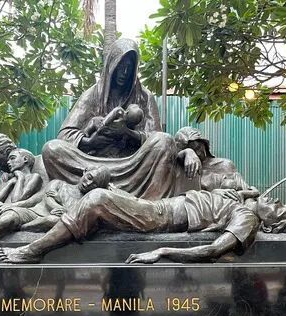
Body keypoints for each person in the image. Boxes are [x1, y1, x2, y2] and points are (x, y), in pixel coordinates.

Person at [42, 39, 197, 199]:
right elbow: (65, 135)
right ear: (111, 65)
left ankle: (145, 202)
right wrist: (90, 142)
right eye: (121, 66)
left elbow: (157, 138)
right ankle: (100, 186)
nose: (124, 72)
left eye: (129, 68)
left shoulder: (145, 97)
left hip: (132, 166)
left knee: (164, 141)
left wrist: (127, 133)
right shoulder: (92, 94)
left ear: (135, 70)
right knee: (51, 149)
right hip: (92, 166)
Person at [0, 182, 286, 264]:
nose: (277, 202)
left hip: (159, 218)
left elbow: (214, 250)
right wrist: (247, 195)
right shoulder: (244, 201)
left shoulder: (248, 218)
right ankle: (23, 224)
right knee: (89, 199)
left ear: (270, 225)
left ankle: (34, 250)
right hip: (157, 207)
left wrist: (162, 252)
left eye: (280, 210)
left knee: (97, 198)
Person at [0, 166, 113, 264]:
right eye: (89, 177)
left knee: (52, 220)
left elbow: (77, 219)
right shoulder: (59, 184)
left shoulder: (88, 202)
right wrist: (58, 206)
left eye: (94, 183)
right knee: (9, 218)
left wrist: (62, 211)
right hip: (33, 213)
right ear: (84, 172)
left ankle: (18, 228)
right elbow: (48, 198)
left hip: (51, 222)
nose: (88, 183)